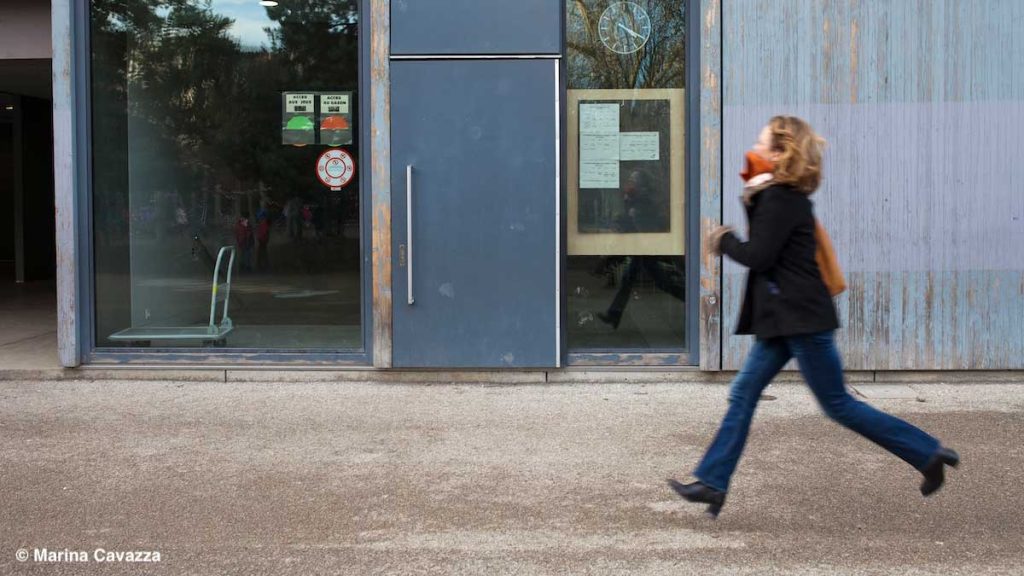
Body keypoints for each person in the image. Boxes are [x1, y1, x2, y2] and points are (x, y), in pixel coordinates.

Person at [668, 116, 959, 518]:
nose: (754, 145)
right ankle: (712, 483)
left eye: (761, 140)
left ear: (778, 152)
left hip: (802, 321)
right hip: (783, 320)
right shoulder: (776, 196)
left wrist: (724, 239)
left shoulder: (782, 199)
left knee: (838, 404)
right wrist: (750, 202)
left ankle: (928, 452)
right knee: (743, 394)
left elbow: (760, 256)